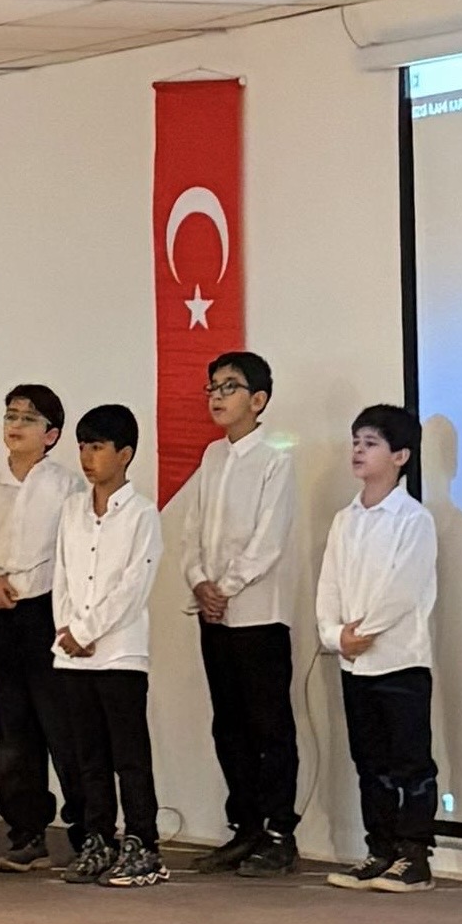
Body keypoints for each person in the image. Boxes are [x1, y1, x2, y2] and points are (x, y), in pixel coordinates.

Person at [174, 350, 300, 875]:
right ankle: (245, 828)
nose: (217, 396)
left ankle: (279, 833)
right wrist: (199, 581)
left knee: (269, 727)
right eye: (213, 386)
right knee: (228, 725)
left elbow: (268, 539)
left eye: (230, 386)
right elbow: (192, 531)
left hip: (259, 615)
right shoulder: (212, 456)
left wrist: (224, 587)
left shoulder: (275, 457)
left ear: (258, 399)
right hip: (215, 615)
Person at [310, 404, 441, 895]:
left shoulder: (413, 519)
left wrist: (363, 631)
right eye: (356, 442)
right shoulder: (345, 520)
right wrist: (334, 635)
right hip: (355, 664)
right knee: (370, 763)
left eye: (371, 443)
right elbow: (329, 584)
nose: (358, 451)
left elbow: (403, 589)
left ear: (400, 456)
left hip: (400, 661)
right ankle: (379, 849)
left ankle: (414, 856)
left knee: (411, 763)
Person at [0, 383, 86, 872]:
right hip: (2, 614)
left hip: (50, 613)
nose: (15, 425)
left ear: (51, 434)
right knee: (13, 727)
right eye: (10, 415)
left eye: (28, 419)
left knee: (64, 725)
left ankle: (87, 832)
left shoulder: (67, 487)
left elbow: (75, 554)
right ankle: (26, 831)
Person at [48, 404, 164, 889]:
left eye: (97, 447)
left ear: (125, 454)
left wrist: (89, 630)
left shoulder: (142, 514)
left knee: (128, 756)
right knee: (87, 757)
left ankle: (143, 843)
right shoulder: (72, 510)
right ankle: (98, 838)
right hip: (73, 654)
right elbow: (62, 575)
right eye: (82, 447)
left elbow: (133, 586)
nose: (87, 457)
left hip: (119, 652)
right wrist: (67, 629)